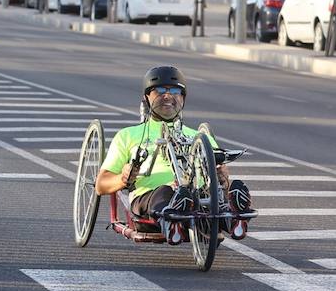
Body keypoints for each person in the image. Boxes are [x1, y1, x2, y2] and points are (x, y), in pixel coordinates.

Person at [94, 66, 253, 222]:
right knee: (165, 193)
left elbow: (217, 174)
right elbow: (101, 185)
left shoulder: (199, 137)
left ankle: (233, 214)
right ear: (147, 97)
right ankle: (173, 213)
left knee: (226, 191)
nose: (168, 96)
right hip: (150, 198)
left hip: (198, 198)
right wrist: (123, 179)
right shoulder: (127, 135)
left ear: (183, 98)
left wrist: (223, 178)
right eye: (160, 90)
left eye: (175, 91)